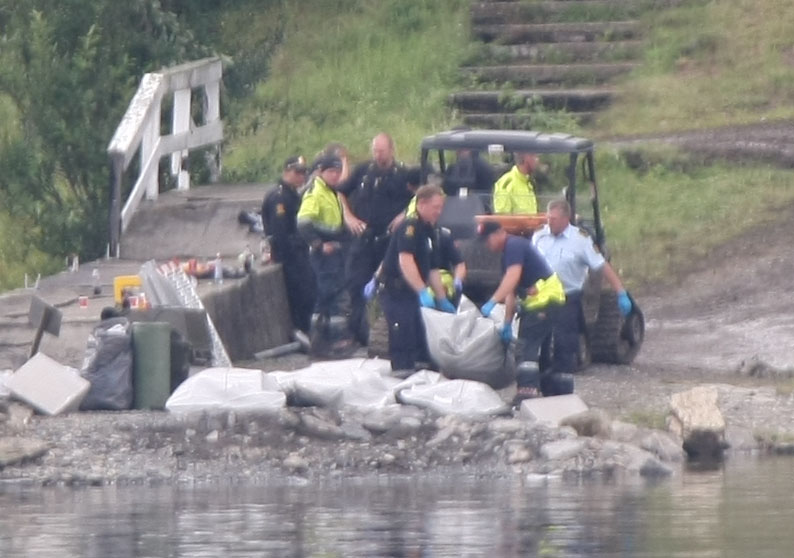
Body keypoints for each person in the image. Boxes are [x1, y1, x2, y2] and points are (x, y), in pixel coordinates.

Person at [532, 198, 632, 375]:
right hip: (541, 297)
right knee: (538, 341)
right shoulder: (539, 236)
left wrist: (620, 291)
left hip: (567, 297)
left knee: (565, 342)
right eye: (548, 218)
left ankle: (561, 379)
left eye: (554, 219)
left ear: (566, 219)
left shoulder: (580, 240)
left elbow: (601, 265)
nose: (549, 222)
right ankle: (540, 376)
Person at [338, 133, 415, 346]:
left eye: (381, 151)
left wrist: (405, 215)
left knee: (391, 287)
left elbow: (420, 198)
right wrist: (348, 216)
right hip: (364, 238)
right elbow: (341, 192)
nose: (378, 155)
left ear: (391, 150)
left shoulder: (403, 174)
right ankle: (356, 335)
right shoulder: (363, 172)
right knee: (355, 284)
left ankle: (392, 335)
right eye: (375, 151)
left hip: (388, 240)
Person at [478, 221, 566, 399]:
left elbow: (512, 277)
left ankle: (527, 392)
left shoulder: (514, 245)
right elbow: (511, 292)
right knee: (541, 348)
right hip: (545, 302)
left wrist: (492, 301)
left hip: (544, 300)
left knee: (526, 347)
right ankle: (548, 391)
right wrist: (508, 323)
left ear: (498, 234)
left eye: (488, 241)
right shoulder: (508, 253)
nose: (487, 246)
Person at [378, 184, 453, 375]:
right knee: (403, 333)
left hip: (411, 292)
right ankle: (402, 373)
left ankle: (420, 371)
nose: (439, 212)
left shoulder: (430, 230)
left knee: (420, 336)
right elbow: (405, 261)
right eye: (436, 207)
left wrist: (441, 298)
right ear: (422, 204)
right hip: (396, 290)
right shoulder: (409, 227)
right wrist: (421, 290)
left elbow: (432, 268)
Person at [261, 155, 315, 334]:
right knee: (301, 296)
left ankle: (306, 331)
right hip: (290, 256)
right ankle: (301, 332)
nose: (301, 177)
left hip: (299, 253)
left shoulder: (291, 194)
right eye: (297, 172)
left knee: (308, 294)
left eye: (303, 173)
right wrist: (295, 250)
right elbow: (281, 232)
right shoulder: (280, 197)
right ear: (287, 172)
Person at [297, 154, 348, 341]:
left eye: (338, 171)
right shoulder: (316, 192)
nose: (335, 175)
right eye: (331, 171)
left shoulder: (330, 191)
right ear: (321, 172)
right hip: (323, 255)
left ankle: (328, 339)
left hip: (334, 251)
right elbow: (303, 223)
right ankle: (327, 340)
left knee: (332, 294)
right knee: (328, 295)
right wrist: (318, 244)